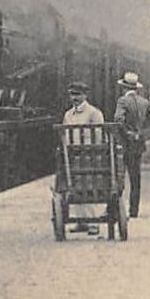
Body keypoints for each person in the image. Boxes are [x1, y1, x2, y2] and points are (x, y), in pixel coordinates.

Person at [60, 81, 105, 232]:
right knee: (76, 186)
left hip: (89, 155)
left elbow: (99, 135)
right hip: (73, 156)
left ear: (85, 95)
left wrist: (92, 151)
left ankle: (93, 222)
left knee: (90, 186)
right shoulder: (68, 114)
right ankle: (81, 221)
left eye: (78, 94)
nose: (75, 98)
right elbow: (65, 135)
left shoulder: (94, 113)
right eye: (72, 94)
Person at [112, 71, 150, 218]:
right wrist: (139, 130)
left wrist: (127, 132)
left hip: (124, 144)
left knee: (119, 176)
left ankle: (116, 209)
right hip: (138, 144)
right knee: (136, 178)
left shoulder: (122, 101)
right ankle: (133, 211)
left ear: (124, 87)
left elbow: (118, 119)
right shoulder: (144, 102)